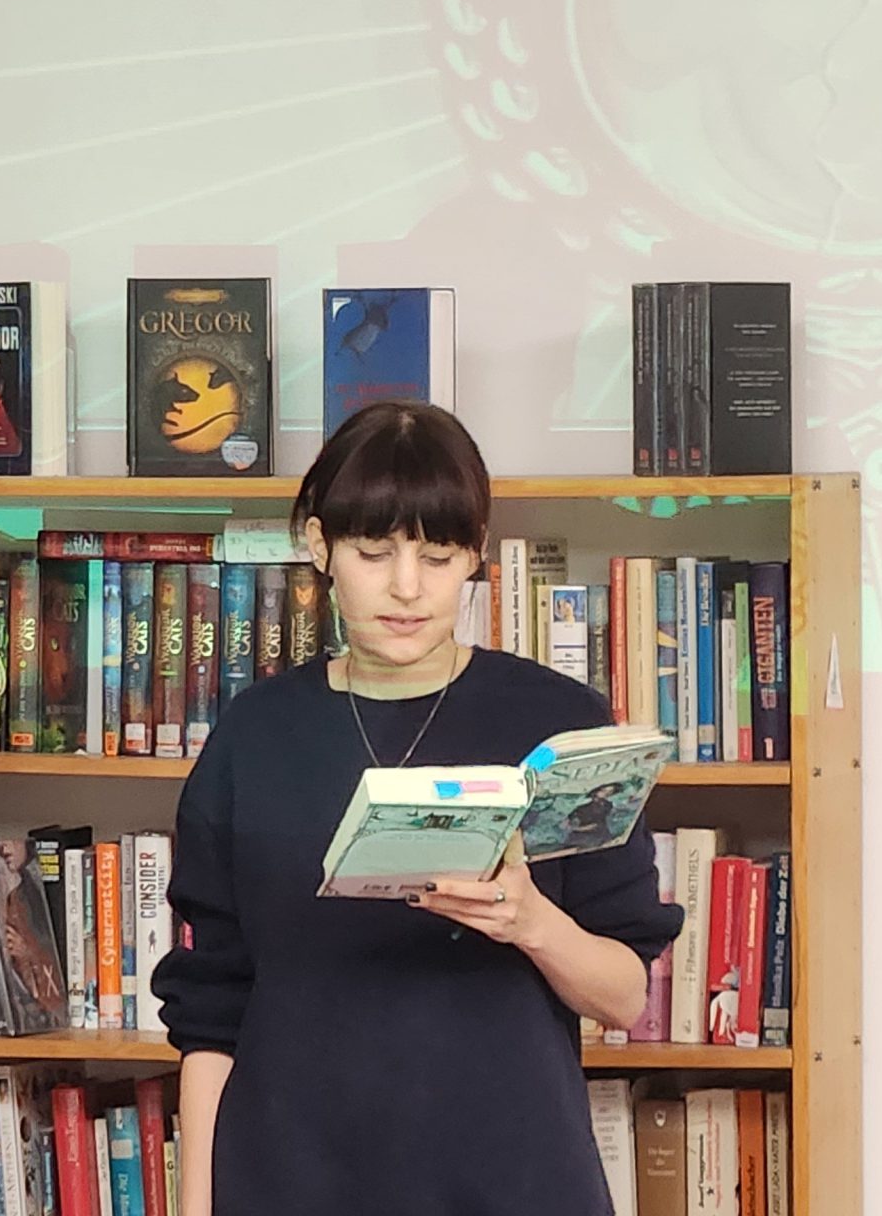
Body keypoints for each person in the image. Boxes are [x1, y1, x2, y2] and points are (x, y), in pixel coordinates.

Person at [153, 399, 682, 1215]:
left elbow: (623, 995)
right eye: (373, 553)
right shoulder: (253, 737)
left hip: (512, 1181)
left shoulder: (557, 723)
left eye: (438, 557)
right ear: (320, 546)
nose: (407, 588)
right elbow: (210, 1015)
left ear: (475, 556)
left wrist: (528, 921)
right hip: (291, 1179)